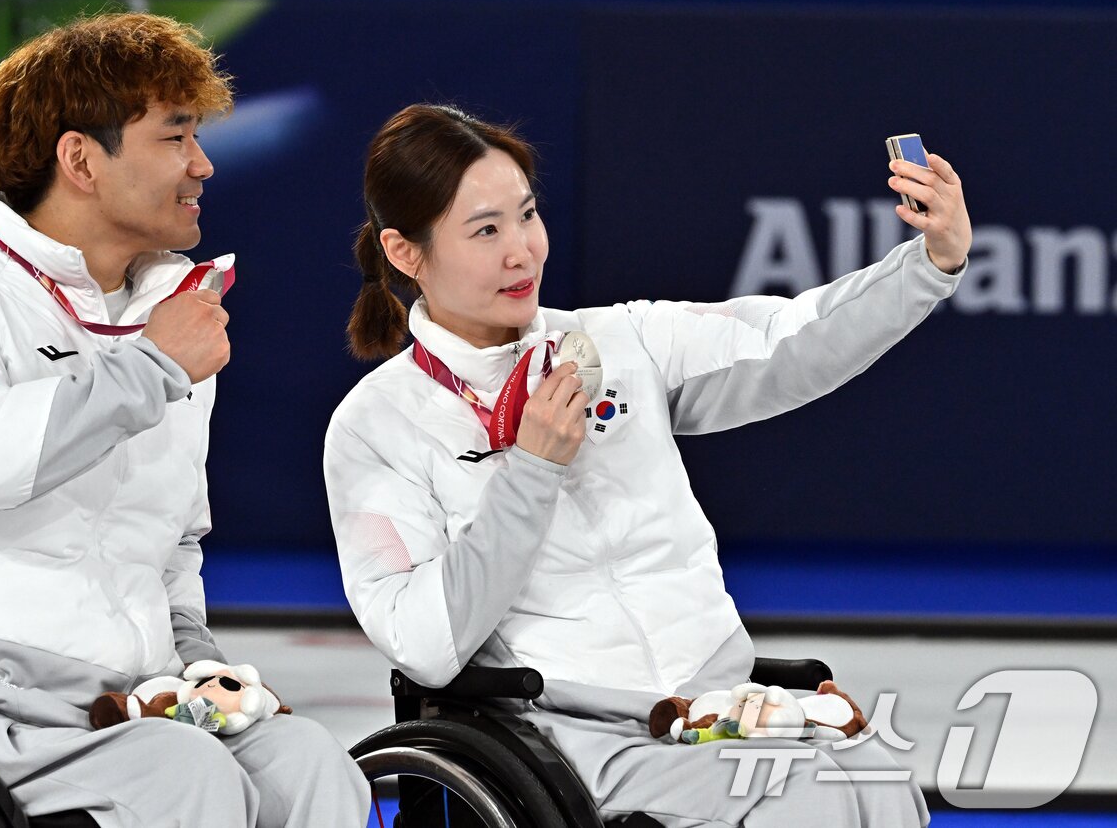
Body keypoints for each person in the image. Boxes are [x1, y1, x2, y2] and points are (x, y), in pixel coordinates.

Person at [324, 104, 972, 827]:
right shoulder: (377, 424)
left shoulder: (623, 340)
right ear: (407, 253)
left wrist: (928, 265)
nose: (523, 252)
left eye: (527, 216)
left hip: (721, 705)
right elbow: (427, 645)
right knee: (805, 798)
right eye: (485, 230)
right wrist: (531, 473)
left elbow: (790, 338)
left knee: (877, 777)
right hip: (574, 734)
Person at [0, 13, 369, 828]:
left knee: (310, 764)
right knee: (183, 777)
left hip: (140, 708)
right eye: (175, 137)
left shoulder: (168, 310)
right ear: (80, 158)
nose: (204, 164)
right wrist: (151, 368)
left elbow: (172, 537)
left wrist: (200, 666)